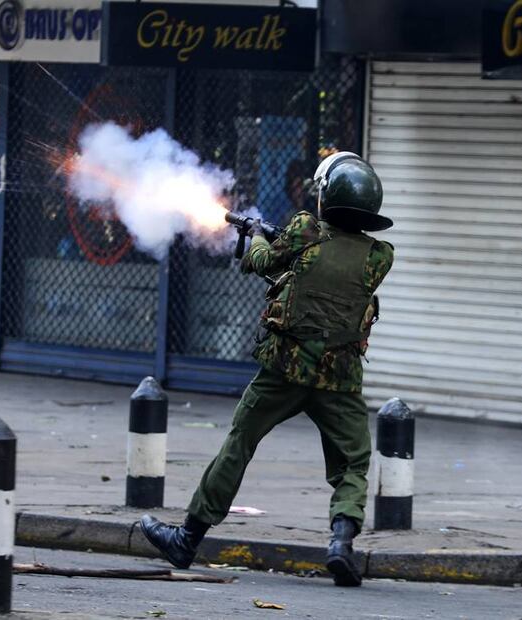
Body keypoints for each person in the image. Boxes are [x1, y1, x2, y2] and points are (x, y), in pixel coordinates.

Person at [141, 152, 395, 587]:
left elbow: (258, 263)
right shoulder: (380, 256)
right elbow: (332, 266)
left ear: (326, 196)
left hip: (284, 368)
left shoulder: (304, 230)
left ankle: (186, 538)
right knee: (353, 462)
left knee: (240, 443)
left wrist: (257, 235)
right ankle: (340, 544)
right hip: (339, 377)